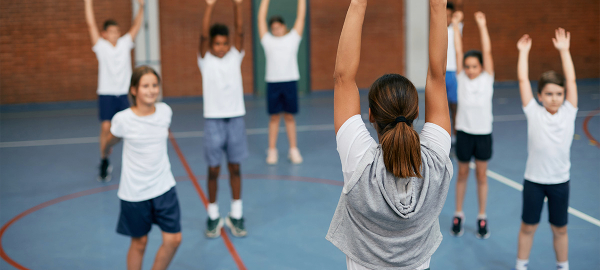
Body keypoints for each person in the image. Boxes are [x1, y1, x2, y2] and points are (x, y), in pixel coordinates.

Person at [326, 0, 452, 269]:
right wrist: (438, 7)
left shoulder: (360, 166)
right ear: (417, 113)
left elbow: (342, 78)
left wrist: (359, 3)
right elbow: (438, 77)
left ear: (370, 115)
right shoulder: (435, 166)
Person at [103, 66, 182, 270]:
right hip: (135, 192)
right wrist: (107, 147)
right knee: (139, 243)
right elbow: (112, 139)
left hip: (163, 186)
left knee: (174, 239)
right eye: (145, 86)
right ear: (134, 90)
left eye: (155, 85)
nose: (151, 90)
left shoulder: (165, 112)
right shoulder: (123, 119)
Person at [513, 28, 577, 270]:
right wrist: (523, 53)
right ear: (539, 96)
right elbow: (522, 80)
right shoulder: (533, 112)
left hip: (560, 181)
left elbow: (570, 80)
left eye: (559, 94)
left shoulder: (569, 112)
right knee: (528, 226)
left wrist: (564, 51)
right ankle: (521, 265)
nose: (554, 98)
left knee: (560, 228)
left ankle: (563, 266)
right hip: (534, 181)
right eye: (548, 94)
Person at [198, 0, 248, 238]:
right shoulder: (205, 60)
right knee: (214, 169)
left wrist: (238, 5)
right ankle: (212, 215)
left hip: (235, 119)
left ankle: (236, 214)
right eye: (216, 43)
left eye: (224, 43)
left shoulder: (234, 57)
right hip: (213, 122)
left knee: (235, 167)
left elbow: (240, 30)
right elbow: (202, 35)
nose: (221, 47)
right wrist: (209, 5)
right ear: (211, 44)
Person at [84, 0, 145, 182]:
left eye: (117, 31)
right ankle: (104, 160)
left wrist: (141, 7)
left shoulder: (125, 43)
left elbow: (136, 26)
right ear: (104, 34)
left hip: (123, 95)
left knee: (128, 129)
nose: (115, 34)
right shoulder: (100, 47)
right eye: (111, 32)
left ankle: (132, 161)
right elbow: (90, 23)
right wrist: (88, 3)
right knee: (105, 127)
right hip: (106, 93)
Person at [450, 11, 494, 239]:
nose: (469, 69)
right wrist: (456, 26)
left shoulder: (487, 78)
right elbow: (458, 50)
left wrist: (481, 24)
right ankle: (458, 213)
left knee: (482, 176)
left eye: (474, 66)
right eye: (467, 66)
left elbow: (486, 51)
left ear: (481, 67)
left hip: (483, 134)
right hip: (465, 133)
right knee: (463, 173)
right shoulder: (461, 78)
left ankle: (482, 215)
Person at [258, 0, 306, 165]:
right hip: (273, 83)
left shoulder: (293, 38)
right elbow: (260, 19)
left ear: (284, 27)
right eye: (273, 28)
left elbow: (301, 17)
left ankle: (293, 149)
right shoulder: (267, 41)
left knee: (290, 117)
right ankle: (272, 150)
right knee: (274, 118)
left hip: (290, 82)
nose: (276, 30)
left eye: (278, 27)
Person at [445, 1, 463, 144]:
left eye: (449, 16)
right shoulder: (437, 30)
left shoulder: (457, 28)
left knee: (455, 107)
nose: (447, 18)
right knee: (442, 108)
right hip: (442, 73)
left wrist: (459, 5)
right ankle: (445, 138)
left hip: (453, 73)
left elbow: (459, 14)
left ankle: (456, 139)